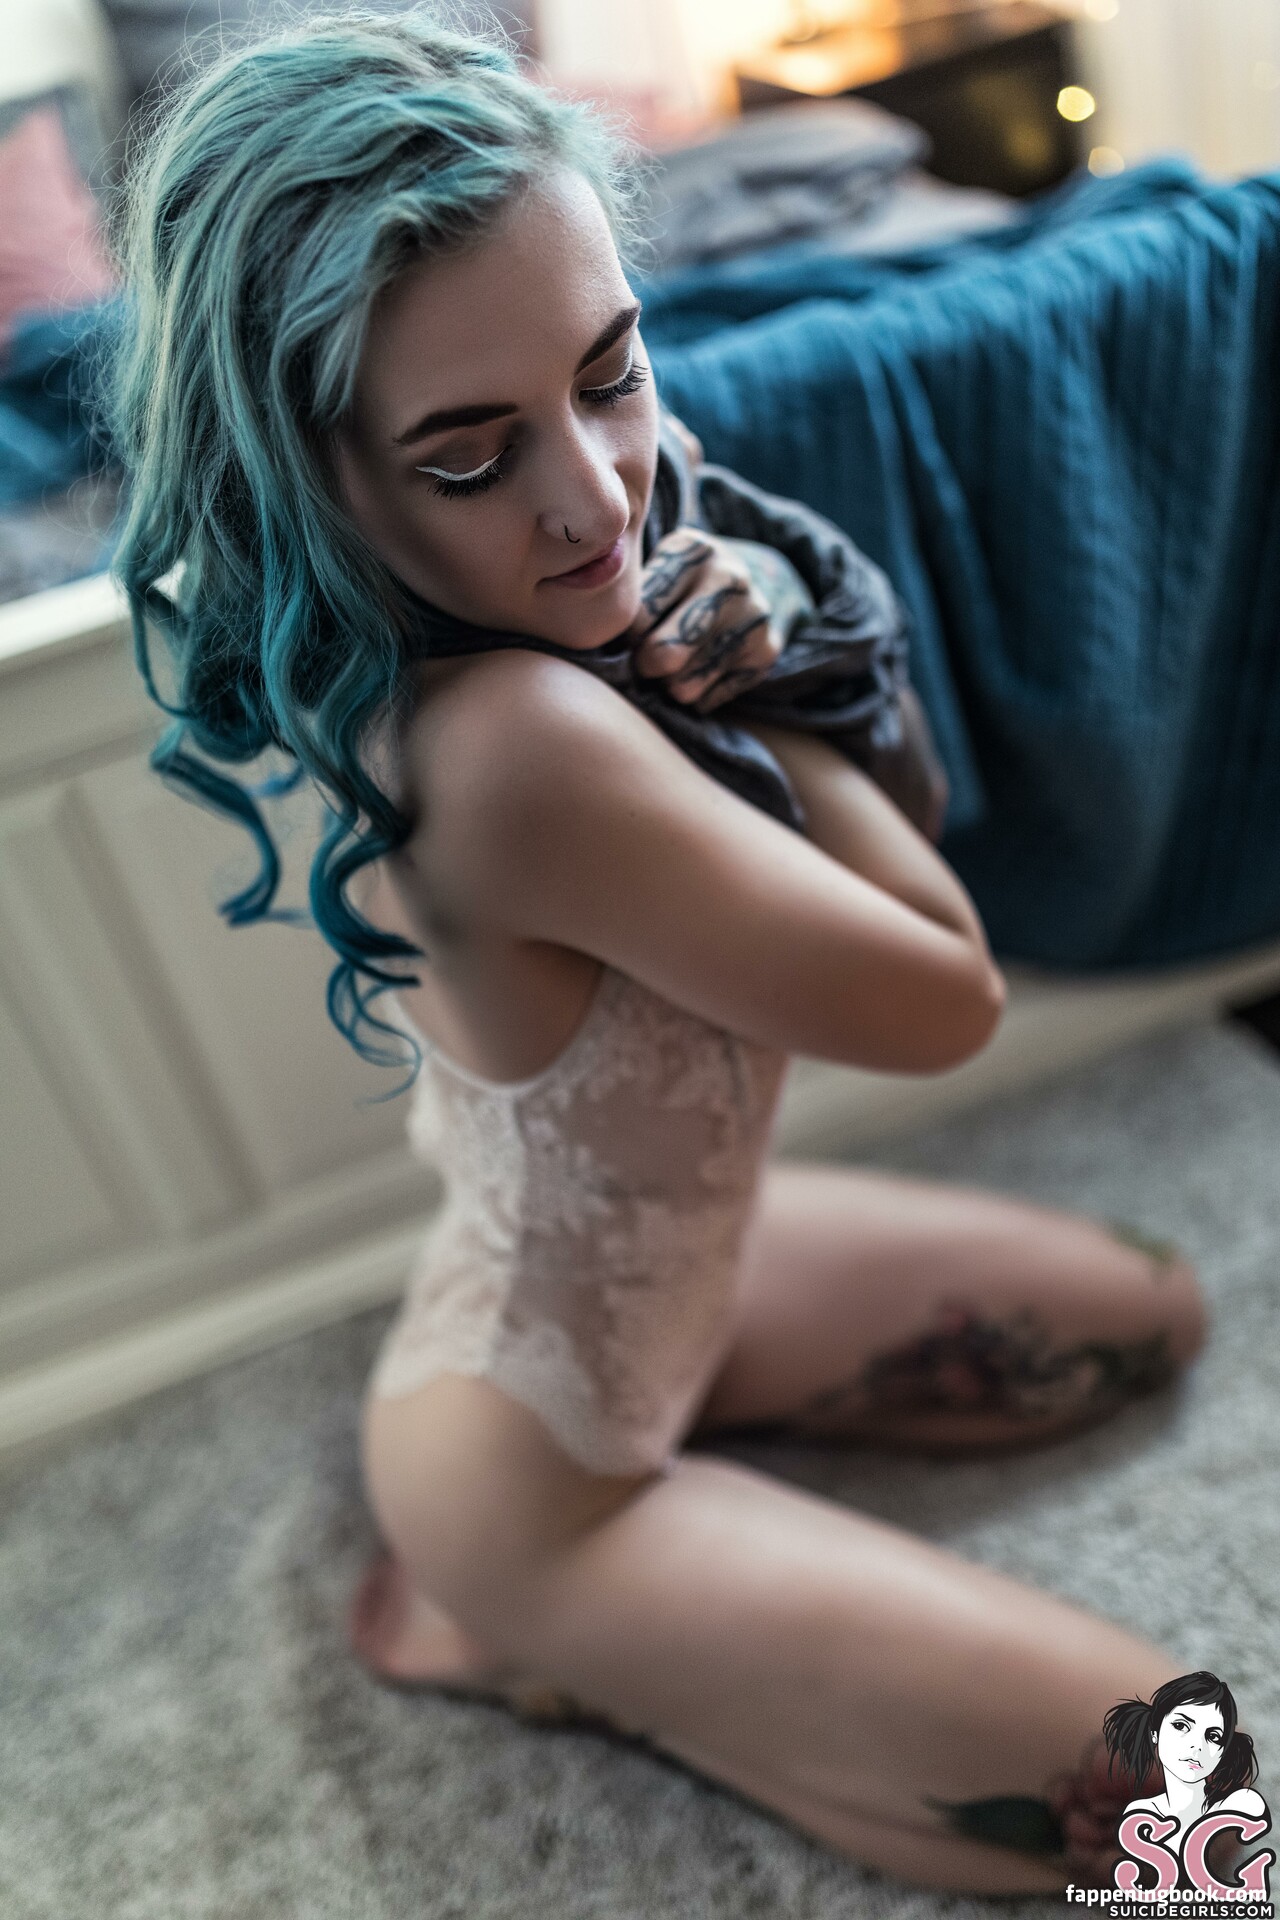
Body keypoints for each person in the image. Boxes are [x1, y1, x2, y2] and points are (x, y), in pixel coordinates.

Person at [107, 6, 1209, 1894]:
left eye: (610, 371)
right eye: (470, 458)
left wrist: (748, 644)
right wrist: (752, 679)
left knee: (1145, 1313)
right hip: (540, 1472)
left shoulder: (564, 578)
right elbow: (945, 996)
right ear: (317, 482)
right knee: (1196, 1808)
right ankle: (529, 1632)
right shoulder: (516, 747)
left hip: (664, 1279)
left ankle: (667, 1615)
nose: (600, 498)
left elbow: (915, 814)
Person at [1106, 1673, 1268, 1852]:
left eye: (1213, 1736)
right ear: (1154, 1733)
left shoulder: (1242, 1803)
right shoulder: (1136, 1803)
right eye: (1181, 1726)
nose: (1197, 1746)